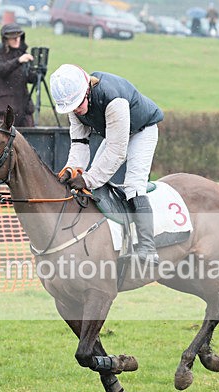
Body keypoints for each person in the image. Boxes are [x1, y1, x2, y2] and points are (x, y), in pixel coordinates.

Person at [49, 64, 163, 264]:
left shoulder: (112, 99)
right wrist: (72, 170)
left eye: (79, 104)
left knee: (133, 185)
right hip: (116, 133)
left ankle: (148, 247)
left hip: (142, 130)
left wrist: (87, 179)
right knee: (95, 180)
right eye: (72, 108)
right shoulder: (73, 104)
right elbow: (79, 143)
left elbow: (117, 152)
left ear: (87, 90)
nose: (77, 110)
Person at [0, 23, 38, 127]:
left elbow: (30, 78)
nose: (17, 40)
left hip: (24, 107)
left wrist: (38, 71)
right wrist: (18, 61)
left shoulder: (23, 54)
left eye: (18, 37)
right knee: (4, 140)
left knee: (28, 140)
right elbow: (1, 70)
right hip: (5, 108)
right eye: (13, 38)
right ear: (6, 40)